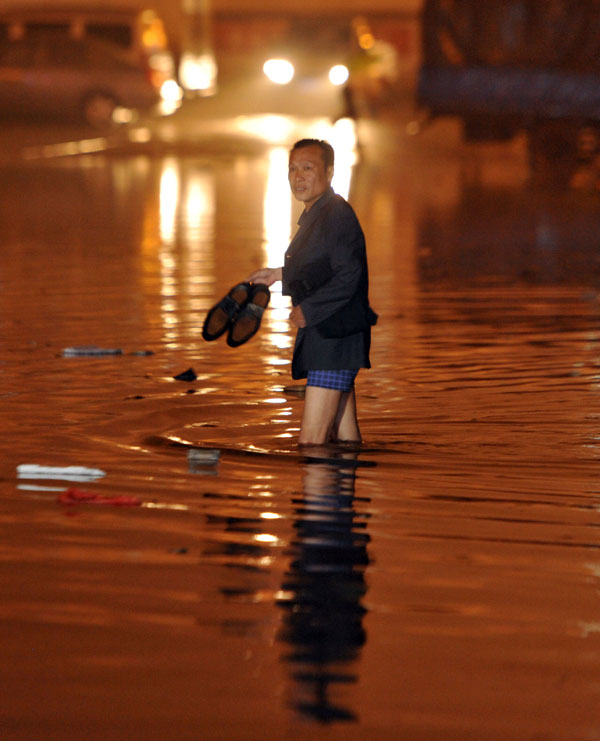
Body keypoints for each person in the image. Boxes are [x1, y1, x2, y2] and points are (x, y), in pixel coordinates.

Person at [247, 138, 376, 447]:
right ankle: (343, 489)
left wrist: (310, 308)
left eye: (308, 168)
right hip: (334, 337)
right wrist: (280, 275)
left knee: (312, 445)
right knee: (345, 441)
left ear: (329, 172)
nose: (298, 176)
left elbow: (349, 274)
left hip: (334, 338)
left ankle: (320, 494)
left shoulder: (336, 215)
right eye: (293, 169)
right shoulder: (320, 214)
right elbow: (322, 267)